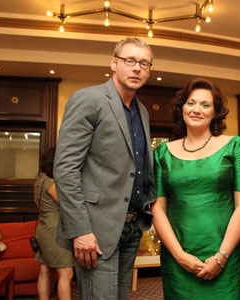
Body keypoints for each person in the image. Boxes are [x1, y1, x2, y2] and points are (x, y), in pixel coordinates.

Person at [54, 37, 157, 300]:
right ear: (113, 63)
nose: (137, 68)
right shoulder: (89, 99)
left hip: (132, 227)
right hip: (96, 230)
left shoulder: (142, 111)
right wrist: (80, 230)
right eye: (130, 61)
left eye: (144, 64)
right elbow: (66, 169)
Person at [151, 78, 240, 299]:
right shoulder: (161, 153)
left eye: (205, 104)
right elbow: (157, 209)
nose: (197, 109)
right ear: (182, 109)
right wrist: (179, 256)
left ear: (215, 112)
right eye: (191, 103)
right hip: (178, 255)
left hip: (227, 254)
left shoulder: (236, 146)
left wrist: (221, 256)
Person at [34, 147, 74, 300]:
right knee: (66, 272)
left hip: (43, 226)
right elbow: (66, 203)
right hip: (54, 229)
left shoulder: (39, 181)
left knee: (45, 269)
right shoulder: (50, 182)